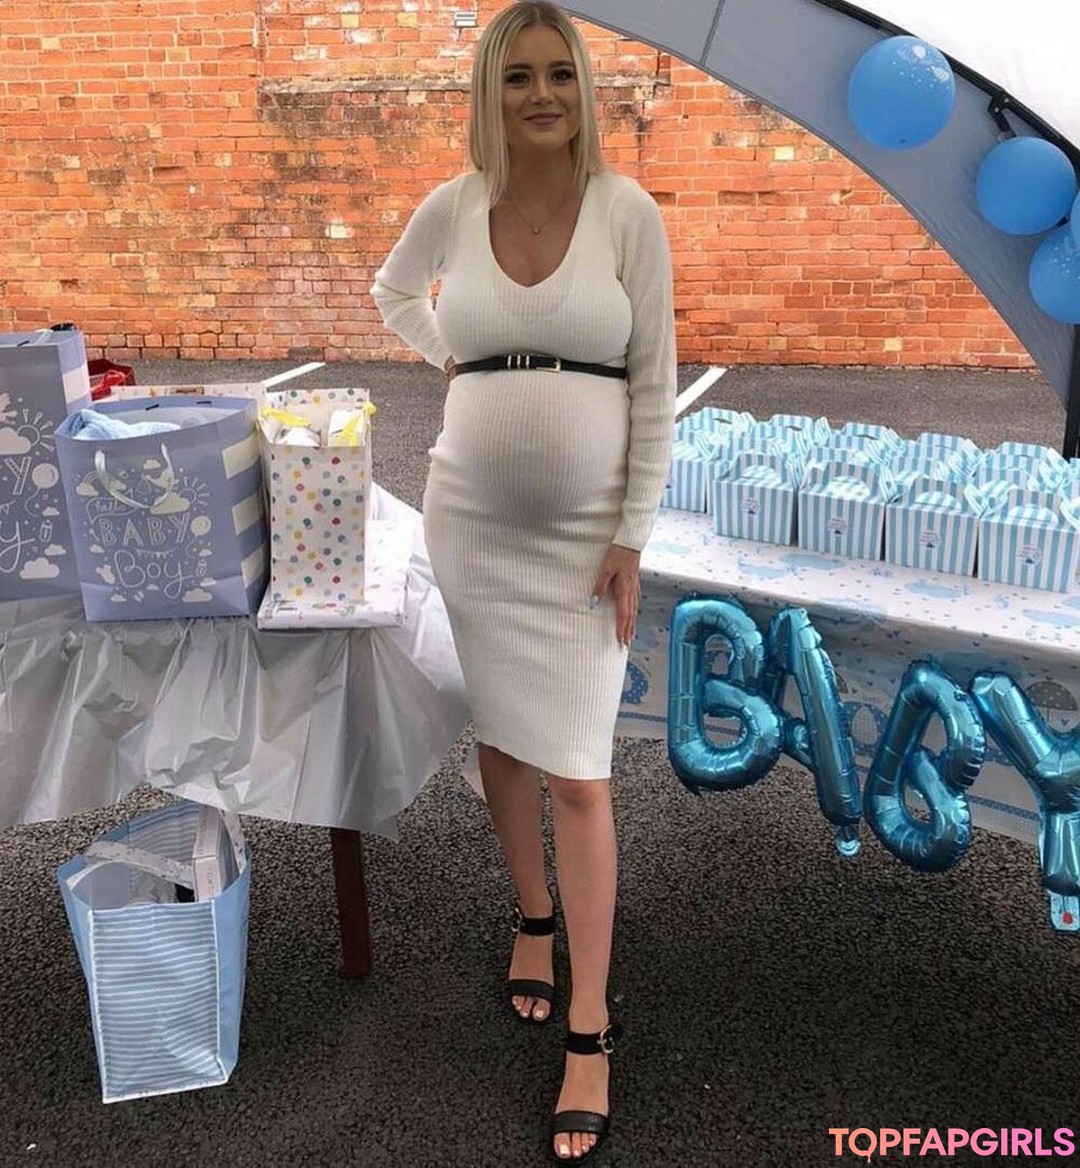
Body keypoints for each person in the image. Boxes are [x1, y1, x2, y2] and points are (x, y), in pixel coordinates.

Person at [370, 2, 676, 1160]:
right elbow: (392, 293)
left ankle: (590, 1025)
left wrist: (631, 533)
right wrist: (448, 353)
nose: (540, 94)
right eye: (517, 76)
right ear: (490, 93)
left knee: (582, 775)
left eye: (558, 74)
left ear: (582, 90)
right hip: (472, 525)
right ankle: (533, 915)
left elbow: (654, 383)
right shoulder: (455, 206)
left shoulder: (627, 212)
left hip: (586, 539)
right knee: (502, 739)